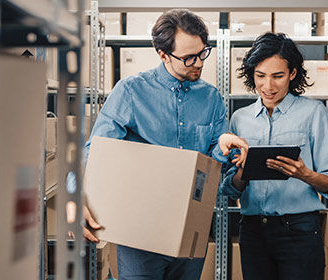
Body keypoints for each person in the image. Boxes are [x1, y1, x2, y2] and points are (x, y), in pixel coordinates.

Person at [78, 9, 248, 280]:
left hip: (192, 228)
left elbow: (211, 164)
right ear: (163, 55)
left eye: (202, 53)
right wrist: (74, 196)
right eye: (188, 58)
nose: (199, 63)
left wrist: (223, 146)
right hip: (139, 231)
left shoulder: (212, 98)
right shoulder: (131, 92)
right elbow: (95, 152)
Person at [220, 32, 328, 280]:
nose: (268, 86)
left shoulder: (313, 113)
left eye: (278, 76)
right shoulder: (239, 119)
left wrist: (304, 174)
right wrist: (243, 171)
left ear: (293, 73)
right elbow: (230, 189)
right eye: (260, 76)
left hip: (299, 229)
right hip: (253, 230)